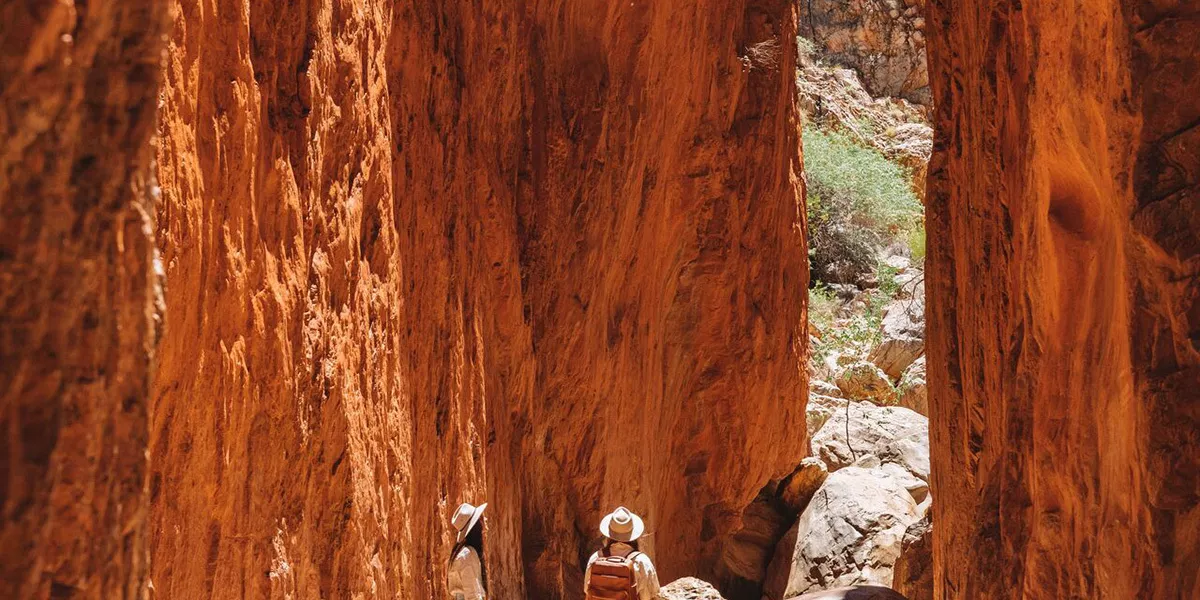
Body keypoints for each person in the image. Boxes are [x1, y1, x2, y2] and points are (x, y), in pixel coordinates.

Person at [584, 506, 660, 600]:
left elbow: (587, 590)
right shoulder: (641, 562)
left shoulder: (595, 558)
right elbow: (652, 595)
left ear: (609, 533)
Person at [448, 502, 488, 600]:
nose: (482, 524)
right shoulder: (467, 555)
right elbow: (472, 594)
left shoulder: (461, 552)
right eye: (479, 521)